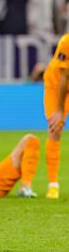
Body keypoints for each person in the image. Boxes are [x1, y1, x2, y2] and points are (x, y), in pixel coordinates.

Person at [43, 34, 69, 199]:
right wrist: (59, 110)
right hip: (56, 85)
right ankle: (53, 185)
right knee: (55, 128)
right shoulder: (66, 42)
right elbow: (64, 78)